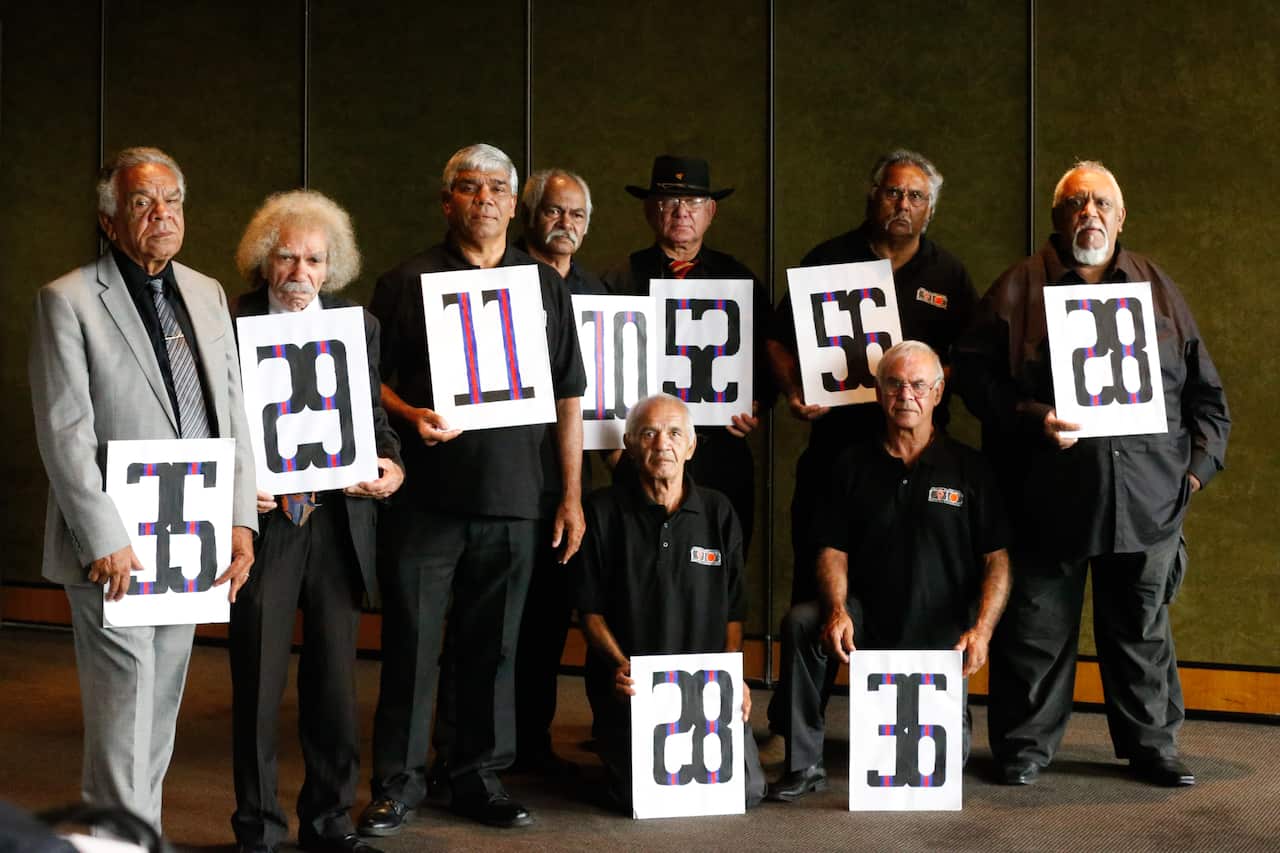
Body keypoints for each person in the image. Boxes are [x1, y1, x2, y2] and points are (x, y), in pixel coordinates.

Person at [953, 160, 1231, 787]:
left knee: (1140, 631)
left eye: (1102, 203)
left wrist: (1191, 475)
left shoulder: (1159, 290)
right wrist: (1032, 416)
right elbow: (972, 377)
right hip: (1047, 498)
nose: (1090, 214)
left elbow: (1206, 396)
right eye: (1077, 203)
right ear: (1058, 217)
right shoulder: (1019, 287)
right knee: (1037, 631)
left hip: (1149, 499)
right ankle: (1024, 748)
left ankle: (1151, 748)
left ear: (1122, 215)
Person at [28, 147, 257, 830]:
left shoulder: (208, 293)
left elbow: (234, 413)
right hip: (114, 549)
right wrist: (105, 537)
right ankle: (118, 842)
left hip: (192, 537)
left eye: (173, 201)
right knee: (124, 713)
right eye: (142, 202)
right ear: (109, 220)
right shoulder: (67, 300)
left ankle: (133, 838)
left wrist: (240, 520)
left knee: (157, 716)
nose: (163, 214)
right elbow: (65, 429)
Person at [359, 144, 586, 832]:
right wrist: (409, 415)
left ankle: (475, 775)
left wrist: (571, 494)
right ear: (445, 200)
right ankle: (397, 783)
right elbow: (370, 380)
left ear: (514, 204)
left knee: (492, 649)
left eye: (496, 188)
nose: (483, 198)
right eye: (468, 186)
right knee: (413, 643)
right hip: (425, 498)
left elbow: (569, 392)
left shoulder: (544, 283)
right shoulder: (406, 280)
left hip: (517, 496)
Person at [228, 190, 404, 853]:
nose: (301, 271)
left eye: (314, 259)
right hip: (266, 528)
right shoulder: (232, 320)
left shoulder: (357, 327)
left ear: (333, 267)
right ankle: (257, 831)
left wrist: (391, 467)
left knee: (333, 688)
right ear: (261, 260)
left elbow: (377, 427)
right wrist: (239, 488)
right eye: (287, 256)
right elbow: (208, 424)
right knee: (258, 684)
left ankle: (329, 824)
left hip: (336, 523)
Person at [767, 341, 1010, 802]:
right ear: (878, 393)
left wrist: (982, 630)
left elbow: (997, 559)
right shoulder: (850, 465)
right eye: (895, 384)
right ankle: (804, 764)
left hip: (940, 632)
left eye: (919, 385)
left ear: (938, 393)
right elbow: (831, 549)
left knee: (941, 768)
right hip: (867, 618)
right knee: (802, 622)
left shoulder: (971, 469)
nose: (906, 395)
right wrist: (837, 610)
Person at [766, 148, 977, 607]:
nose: (903, 204)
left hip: (914, 461)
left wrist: (933, 384)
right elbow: (777, 340)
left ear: (930, 209)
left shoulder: (949, 274)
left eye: (916, 196)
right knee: (816, 595)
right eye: (894, 192)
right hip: (836, 450)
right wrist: (792, 390)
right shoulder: (827, 259)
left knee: (911, 588)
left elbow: (970, 355)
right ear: (873, 196)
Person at [576, 393, 766, 811]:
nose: (663, 444)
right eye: (649, 433)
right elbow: (589, 613)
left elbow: (735, 611)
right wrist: (620, 666)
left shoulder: (719, 512)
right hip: (632, 690)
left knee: (748, 791)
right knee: (633, 798)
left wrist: (731, 677)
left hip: (705, 692)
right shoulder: (601, 512)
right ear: (628, 444)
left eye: (675, 433)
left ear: (692, 446)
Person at [603, 155, 774, 552]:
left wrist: (757, 404)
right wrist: (611, 452)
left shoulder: (740, 280)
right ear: (649, 210)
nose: (682, 212)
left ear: (711, 212)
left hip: (721, 454)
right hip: (643, 456)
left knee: (720, 565)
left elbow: (770, 359)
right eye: (668, 202)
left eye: (694, 203)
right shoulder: (619, 279)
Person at [510, 168, 607, 773]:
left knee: (547, 617)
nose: (565, 223)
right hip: (511, 469)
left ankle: (532, 743)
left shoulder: (600, 292)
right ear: (531, 215)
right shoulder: (507, 279)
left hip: (573, 475)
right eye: (554, 211)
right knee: (498, 620)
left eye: (576, 215)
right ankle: (474, 747)